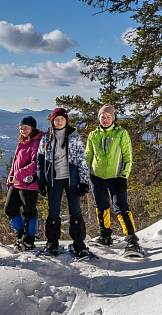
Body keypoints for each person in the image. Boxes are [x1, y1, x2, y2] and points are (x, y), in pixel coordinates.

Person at [85, 104, 143, 254]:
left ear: (113, 118)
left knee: (121, 207)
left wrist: (124, 176)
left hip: (117, 178)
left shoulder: (121, 133)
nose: (105, 119)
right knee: (101, 206)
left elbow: (128, 156)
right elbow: (88, 157)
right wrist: (85, 176)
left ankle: (132, 241)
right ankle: (105, 236)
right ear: (99, 118)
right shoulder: (93, 135)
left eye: (108, 116)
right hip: (96, 178)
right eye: (102, 117)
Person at [37, 107, 92, 257]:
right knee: (53, 212)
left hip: (71, 180)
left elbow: (82, 160)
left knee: (75, 212)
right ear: (52, 121)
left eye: (62, 119)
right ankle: (52, 243)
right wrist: (41, 181)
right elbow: (40, 161)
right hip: (53, 181)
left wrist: (83, 181)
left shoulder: (74, 137)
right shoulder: (46, 137)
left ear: (66, 120)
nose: (59, 121)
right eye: (56, 119)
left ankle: (79, 243)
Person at [4, 116, 44, 251]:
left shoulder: (36, 142)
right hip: (16, 183)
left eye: (26, 128)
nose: (23, 131)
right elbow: (15, 162)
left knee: (29, 212)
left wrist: (18, 175)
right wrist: (10, 178)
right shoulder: (22, 142)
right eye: (21, 129)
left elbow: (35, 164)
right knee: (9, 209)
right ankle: (21, 235)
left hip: (29, 184)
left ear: (32, 128)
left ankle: (29, 240)